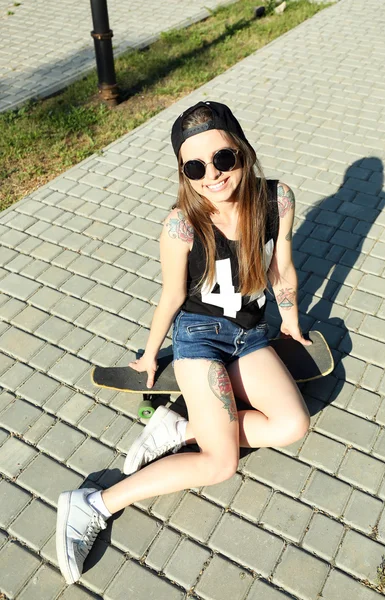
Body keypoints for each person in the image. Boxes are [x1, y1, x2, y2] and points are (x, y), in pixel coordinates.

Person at [56, 100, 311, 585]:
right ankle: (93, 502)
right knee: (220, 465)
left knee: (293, 424)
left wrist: (292, 321)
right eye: (195, 166)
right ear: (183, 171)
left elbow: (282, 266)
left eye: (223, 159)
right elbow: (172, 295)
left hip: (252, 334)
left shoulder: (276, 199)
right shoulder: (181, 224)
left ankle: (180, 428)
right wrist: (150, 355)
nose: (212, 175)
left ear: (242, 149)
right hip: (199, 337)